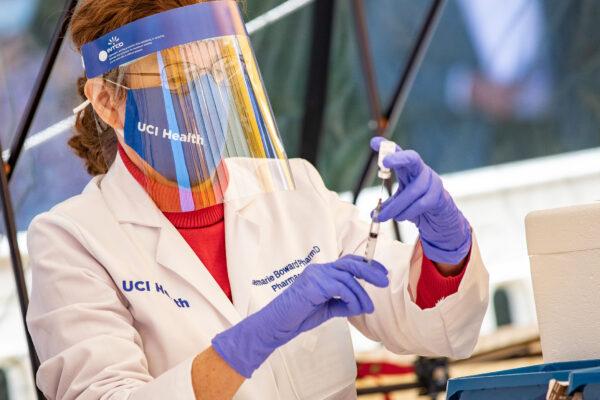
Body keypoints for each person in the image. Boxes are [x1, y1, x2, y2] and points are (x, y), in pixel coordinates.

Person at [25, 1, 489, 399]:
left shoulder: (292, 191)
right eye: (182, 79)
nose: (206, 97)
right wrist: (249, 342)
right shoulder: (73, 242)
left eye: (216, 72)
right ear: (108, 102)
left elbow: (427, 323)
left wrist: (448, 250)